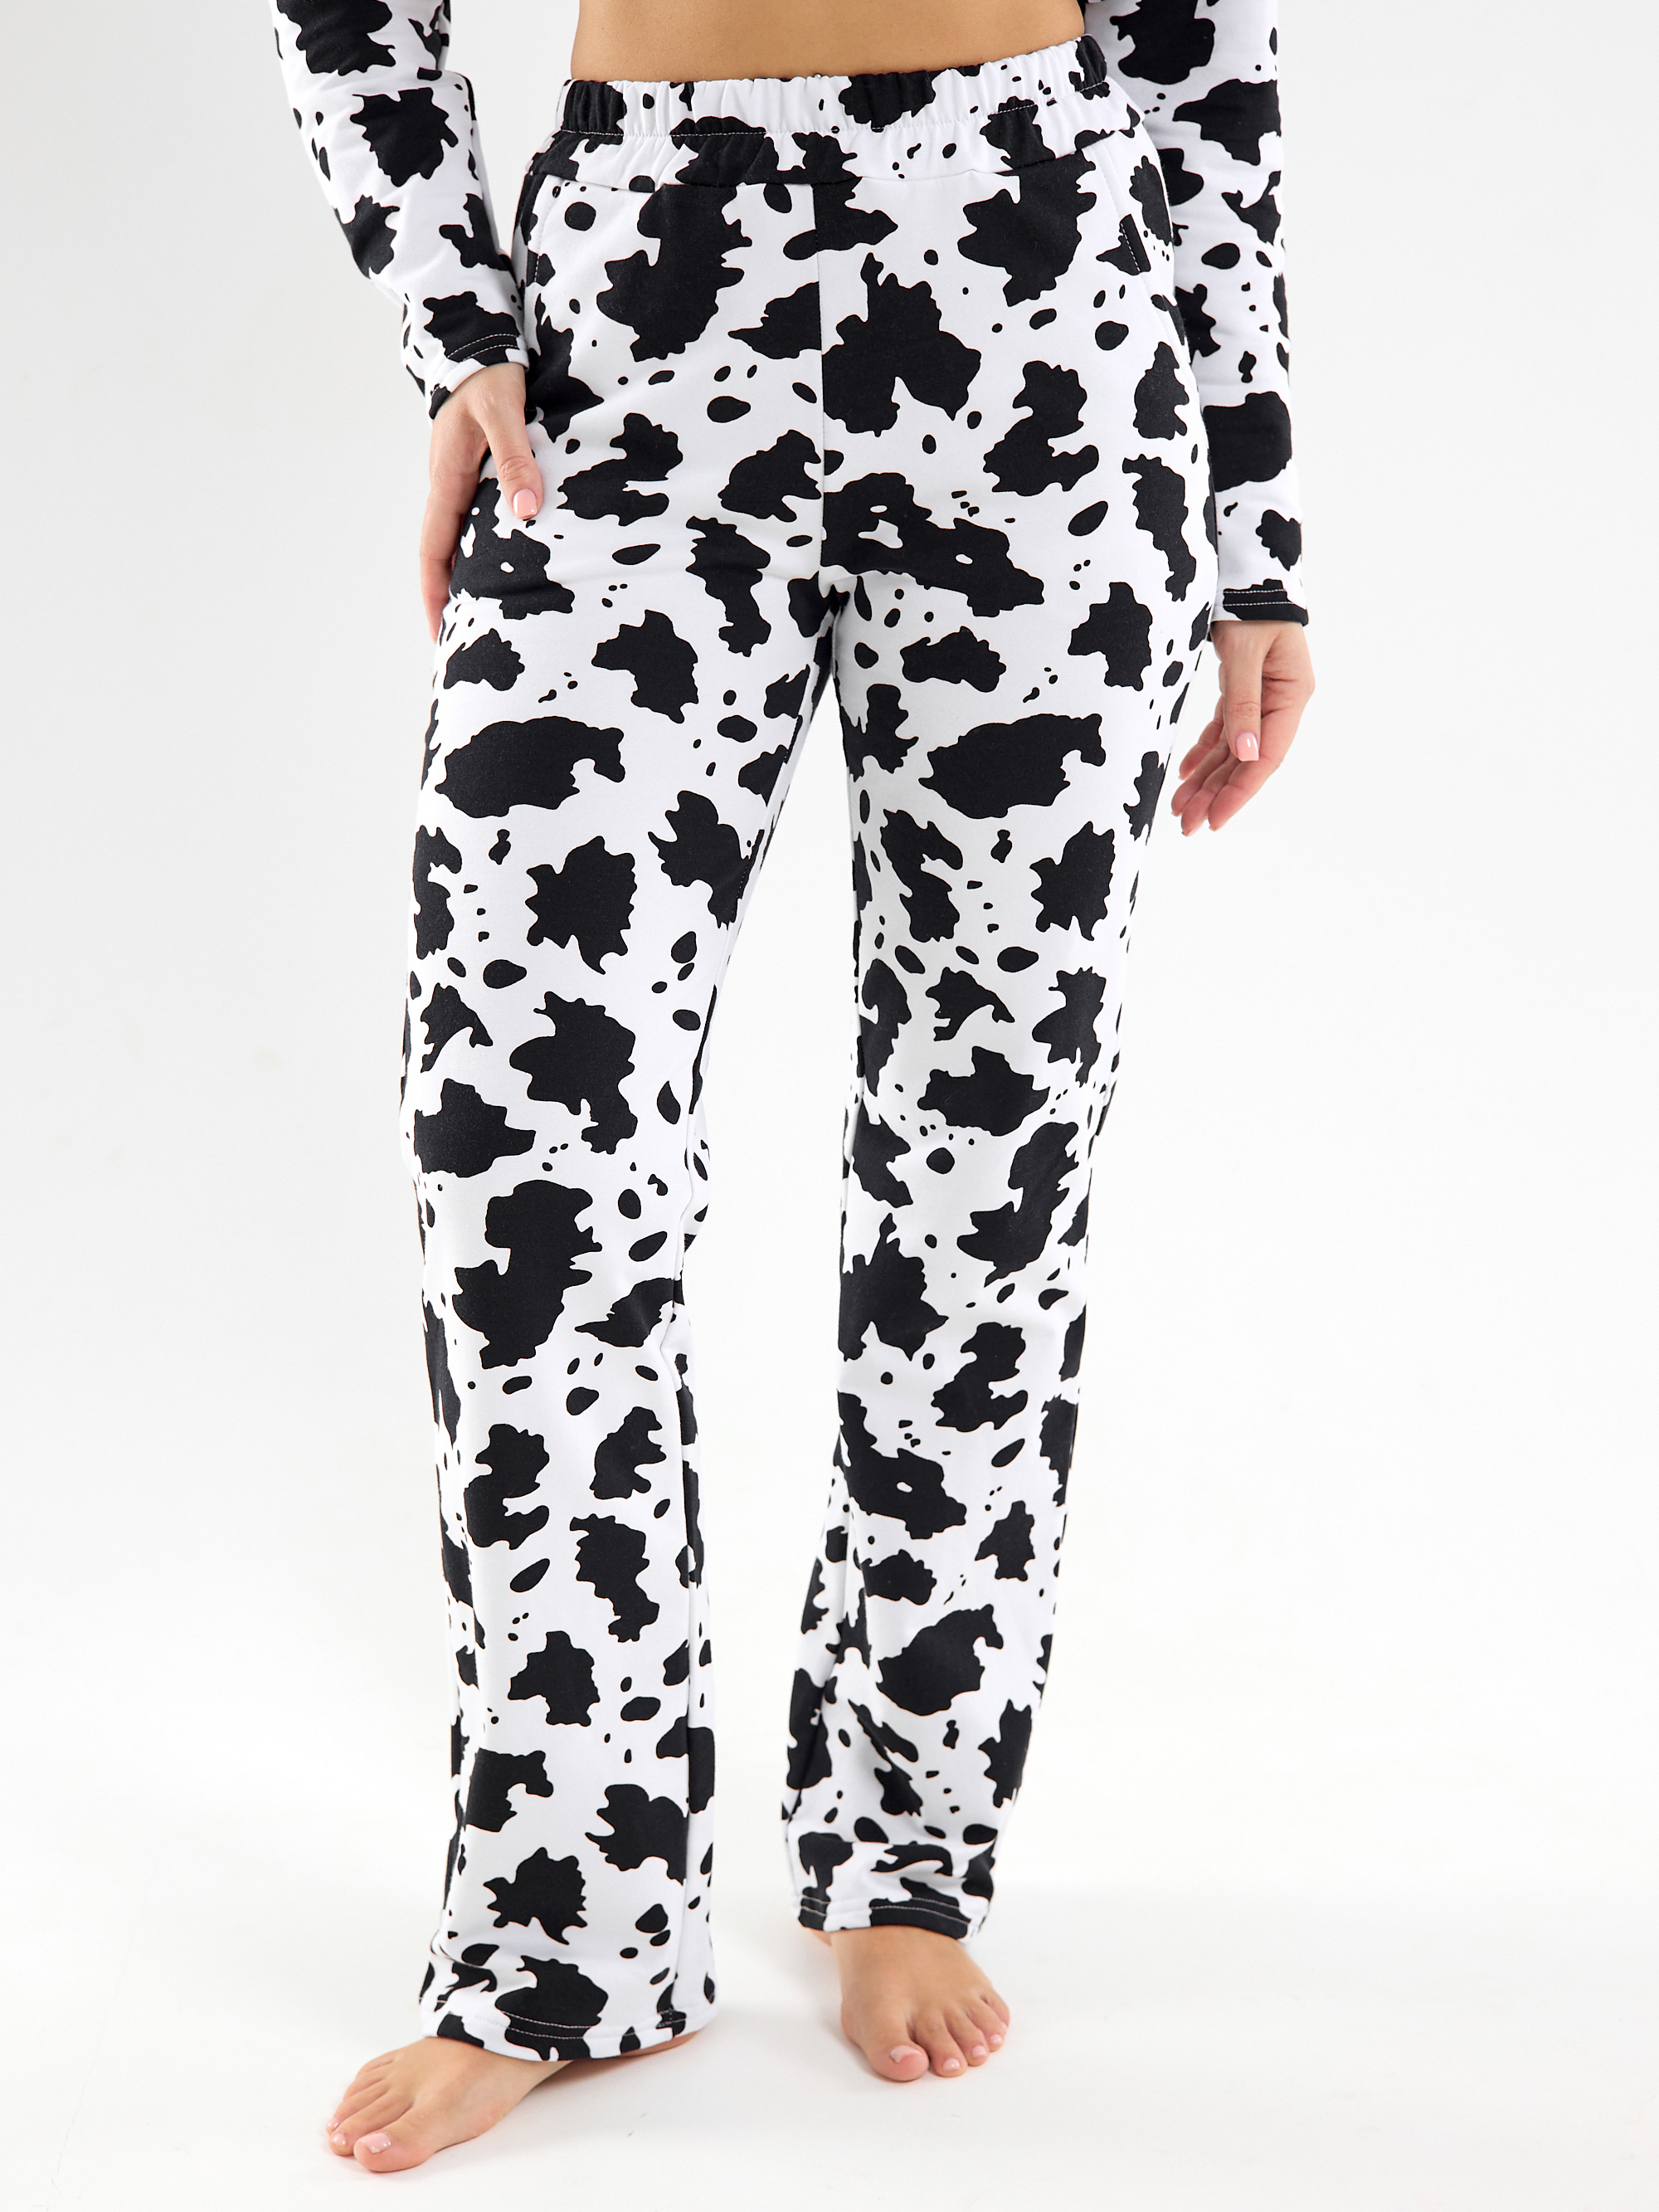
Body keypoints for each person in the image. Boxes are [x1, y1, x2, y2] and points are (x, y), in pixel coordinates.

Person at [270, 0, 1315, 2171]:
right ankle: (568, 1915)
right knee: (521, 1143)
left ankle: (904, 1846)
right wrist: (457, 320)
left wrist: (1258, 528)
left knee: (988, 1165)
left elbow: (1204, 44)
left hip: (1041, 319)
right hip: (635, 348)